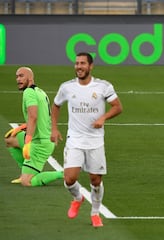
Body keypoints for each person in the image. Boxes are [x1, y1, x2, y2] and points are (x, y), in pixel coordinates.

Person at [51, 52, 123, 228]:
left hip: (95, 141)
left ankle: (95, 213)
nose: (79, 67)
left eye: (82, 63)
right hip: (74, 139)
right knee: (69, 179)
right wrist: (54, 128)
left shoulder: (103, 86)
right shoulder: (67, 87)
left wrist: (103, 118)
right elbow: (56, 106)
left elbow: (118, 107)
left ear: (91, 66)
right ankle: (78, 198)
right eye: (76, 63)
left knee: (95, 180)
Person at [4, 67, 63, 186]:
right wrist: (22, 127)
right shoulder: (40, 92)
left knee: (27, 182)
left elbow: (33, 116)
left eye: (21, 76)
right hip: (43, 137)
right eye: (16, 77)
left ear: (30, 78)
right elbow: (42, 117)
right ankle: (24, 172)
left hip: (40, 143)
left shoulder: (28, 92)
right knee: (11, 139)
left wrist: (27, 141)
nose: (18, 79)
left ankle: (63, 174)